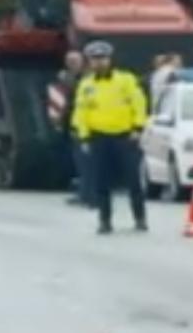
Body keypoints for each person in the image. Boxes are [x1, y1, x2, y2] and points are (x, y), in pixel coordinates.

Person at [72, 40, 148, 234]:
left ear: (110, 60)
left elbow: (139, 103)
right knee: (101, 181)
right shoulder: (86, 85)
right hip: (98, 137)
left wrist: (138, 128)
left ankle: (140, 218)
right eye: (95, 60)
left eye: (103, 59)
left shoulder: (126, 80)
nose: (99, 63)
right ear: (89, 62)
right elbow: (81, 113)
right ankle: (105, 220)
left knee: (133, 180)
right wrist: (84, 137)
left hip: (125, 135)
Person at [55, 50, 94, 207]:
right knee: (79, 162)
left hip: (87, 125)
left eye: (74, 61)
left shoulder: (87, 79)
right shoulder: (69, 77)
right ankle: (83, 192)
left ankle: (89, 194)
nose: (71, 64)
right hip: (74, 124)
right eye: (69, 61)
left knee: (86, 161)